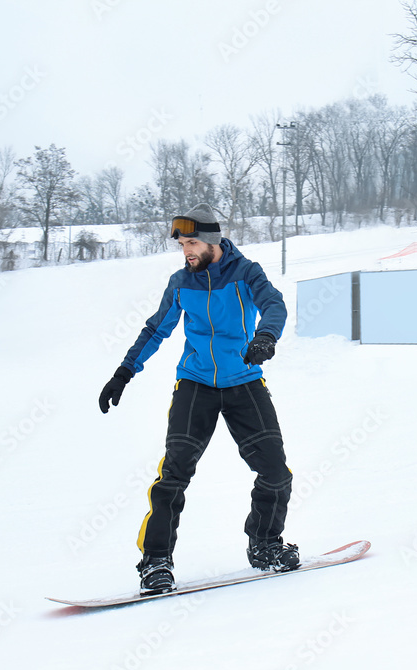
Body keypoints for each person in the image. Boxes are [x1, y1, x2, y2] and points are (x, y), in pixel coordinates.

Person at [98, 203, 298, 596]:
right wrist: (124, 372)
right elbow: (157, 329)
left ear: (212, 241)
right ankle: (156, 562)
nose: (186, 250)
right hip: (195, 385)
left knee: (275, 471)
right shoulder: (180, 282)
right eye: (182, 244)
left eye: (192, 242)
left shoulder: (246, 273)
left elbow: (274, 305)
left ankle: (265, 544)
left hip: (244, 382)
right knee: (173, 474)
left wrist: (265, 336)